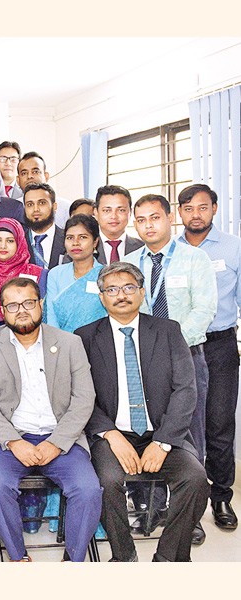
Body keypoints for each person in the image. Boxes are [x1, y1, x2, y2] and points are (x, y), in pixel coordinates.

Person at [75, 262, 210, 562]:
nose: (121, 295)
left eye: (128, 287)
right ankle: (124, 556)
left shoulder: (168, 331)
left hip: (163, 433)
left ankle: (168, 558)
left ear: (141, 292)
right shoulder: (84, 337)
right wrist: (111, 435)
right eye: (111, 289)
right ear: (101, 297)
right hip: (112, 435)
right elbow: (81, 395)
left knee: (195, 478)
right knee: (106, 481)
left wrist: (163, 442)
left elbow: (186, 390)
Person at [0, 277, 102, 562]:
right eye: (12, 305)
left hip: (61, 438)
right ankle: (18, 557)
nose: (21, 310)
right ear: (2, 310)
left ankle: (74, 560)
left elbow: (84, 399)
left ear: (40, 304)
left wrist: (56, 443)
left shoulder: (70, 343)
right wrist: (14, 442)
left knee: (88, 490)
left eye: (28, 303)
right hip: (10, 439)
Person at [125, 194, 217, 467]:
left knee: (189, 430)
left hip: (185, 356)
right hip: (141, 360)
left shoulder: (195, 258)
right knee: (147, 429)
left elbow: (204, 310)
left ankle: (193, 488)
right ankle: (148, 491)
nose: (148, 225)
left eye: (155, 218)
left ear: (170, 217)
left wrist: (169, 347)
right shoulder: (129, 264)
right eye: (141, 220)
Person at [177, 183, 241, 531]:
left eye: (202, 207)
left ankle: (221, 497)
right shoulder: (173, 250)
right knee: (186, 427)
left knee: (219, 424)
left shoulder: (233, 247)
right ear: (179, 213)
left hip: (220, 345)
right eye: (188, 209)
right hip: (182, 347)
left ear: (214, 208)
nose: (196, 215)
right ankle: (191, 506)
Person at [0, 217, 48, 337]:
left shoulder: (39, 274)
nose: (3, 246)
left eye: (10, 241)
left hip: (32, 338)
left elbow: (44, 316)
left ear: (19, 243)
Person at [45, 214, 107, 333]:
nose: (75, 243)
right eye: (70, 238)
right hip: (63, 339)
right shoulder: (56, 274)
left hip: (99, 339)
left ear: (95, 242)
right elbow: (52, 317)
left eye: (83, 237)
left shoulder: (106, 275)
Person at [93, 185, 143, 264]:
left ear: (130, 212)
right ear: (96, 213)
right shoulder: (83, 248)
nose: (114, 216)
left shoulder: (142, 248)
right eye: (107, 210)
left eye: (121, 210)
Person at [24, 183, 66, 268]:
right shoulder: (18, 242)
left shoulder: (68, 239)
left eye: (42, 203)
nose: (36, 209)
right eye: (30, 204)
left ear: (54, 206)